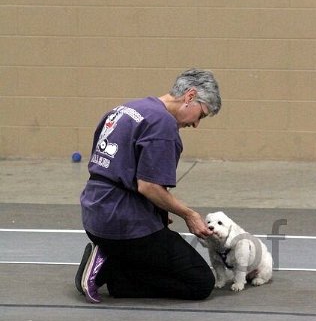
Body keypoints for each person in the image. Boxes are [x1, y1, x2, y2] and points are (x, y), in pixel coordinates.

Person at [75, 68, 222, 303]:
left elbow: (109, 166)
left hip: (94, 214)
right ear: (190, 96)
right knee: (199, 282)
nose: (196, 124)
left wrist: (155, 210)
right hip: (123, 223)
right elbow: (149, 187)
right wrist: (189, 214)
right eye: (201, 115)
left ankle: (113, 257)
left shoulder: (127, 109)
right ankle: (110, 265)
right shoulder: (163, 126)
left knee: (143, 268)